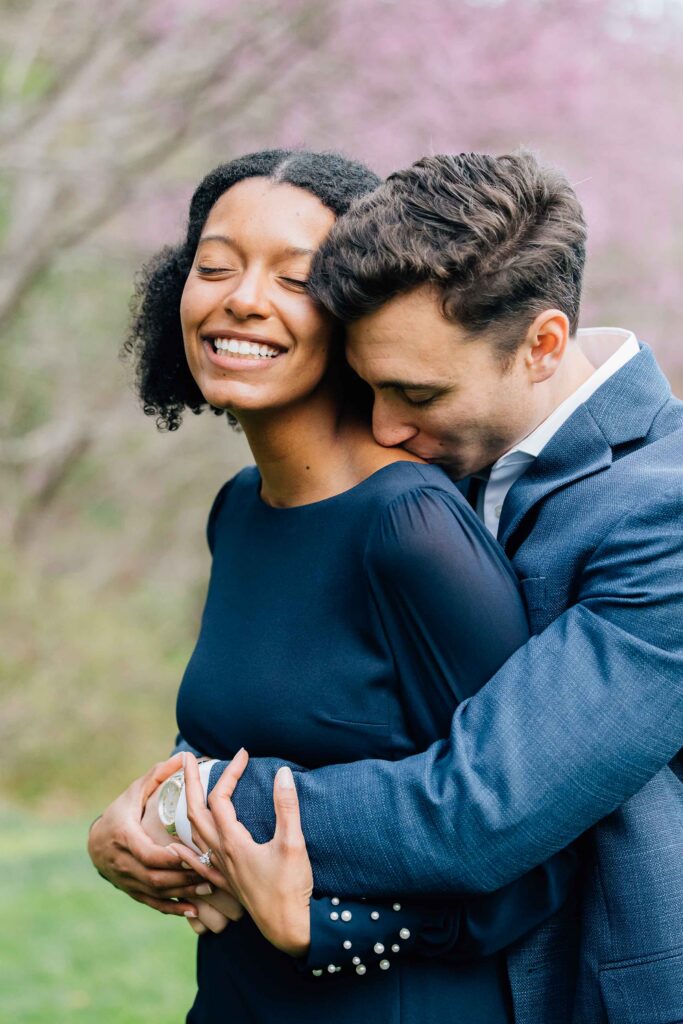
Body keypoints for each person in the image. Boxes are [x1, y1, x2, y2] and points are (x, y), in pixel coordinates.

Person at [90, 150, 683, 1022]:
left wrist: (184, 808)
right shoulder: (438, 442)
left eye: (414, 392)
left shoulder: (660, 516)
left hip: (584, 988)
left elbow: (478, 807)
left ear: (542, 346)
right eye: (369, 387)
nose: (383, 426)